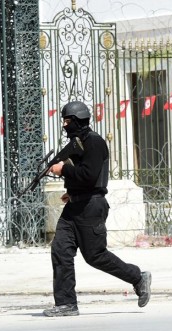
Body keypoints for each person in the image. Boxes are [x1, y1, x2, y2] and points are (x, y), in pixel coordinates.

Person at [43, 101, 151, 317]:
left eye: (67, 121)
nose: (64, 125)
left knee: (95, 256)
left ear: (77, 121)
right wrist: (72, 191)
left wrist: (62, 170)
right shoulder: (78, 142)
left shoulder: (94, 142)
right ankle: (66, 304)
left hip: (91, 207)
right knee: (60, 250)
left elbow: (90, 175)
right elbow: (83, 177)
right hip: (75, 205)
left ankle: (138, 277)